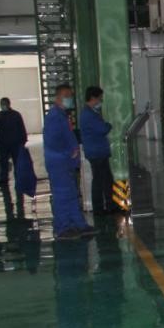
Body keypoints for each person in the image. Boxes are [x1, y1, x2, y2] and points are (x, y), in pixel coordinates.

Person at [44, 84, 95, 240]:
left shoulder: (62, 115)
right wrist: (68, 153)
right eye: (66, 96)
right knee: (62, 196)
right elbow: (52, 142)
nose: (70, 99)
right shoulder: (54, 117)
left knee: (72, 194)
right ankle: (62, 228)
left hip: (66, 163)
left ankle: (79, 224)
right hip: (59, 163)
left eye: (70, 96)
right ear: (58, 98)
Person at [80, 87, 117, 216]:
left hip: (97, 151)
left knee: (105, 179)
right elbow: (103, 129)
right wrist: (108, 125)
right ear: (93, 98)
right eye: (100, 98)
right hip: (97, 152)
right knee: (100, 180)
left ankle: (109, 205)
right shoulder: (89, 115)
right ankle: (99, 208)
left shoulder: (90, 113)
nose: (101, 101)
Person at [0, 97, 28, 219]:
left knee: (14, 163)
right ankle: (6, 179)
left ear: (8, 104)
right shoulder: (3, 115)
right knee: (6, 163)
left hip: (12, 143)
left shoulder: (13, 115)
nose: (3, 106)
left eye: (4, 104)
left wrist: (23, 140)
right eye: (2, 104)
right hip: (7, 143)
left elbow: (22, 128)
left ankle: (11, 179)